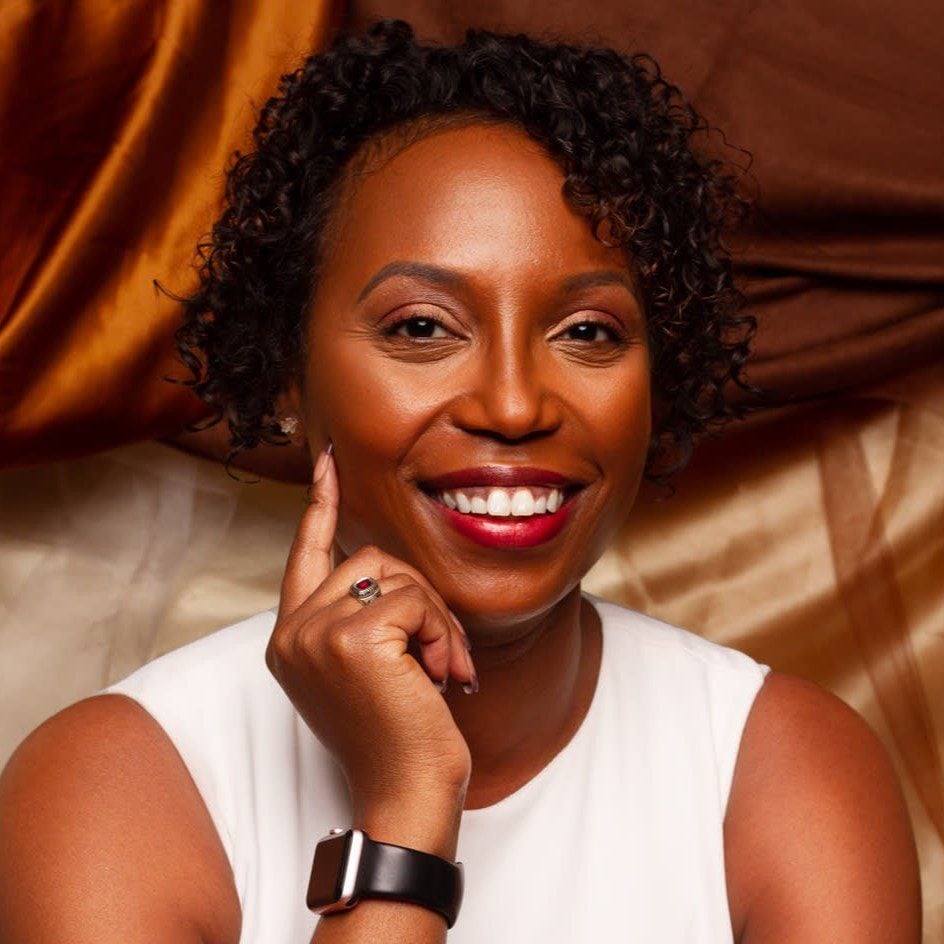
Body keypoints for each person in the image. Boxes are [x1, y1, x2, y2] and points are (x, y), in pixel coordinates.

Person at [0, 19, 921, 944]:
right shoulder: (115, 785)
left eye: (588, 332)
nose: (515, 405)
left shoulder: (785, 773)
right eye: (421, 328)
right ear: (290, 375)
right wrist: (406, 807)